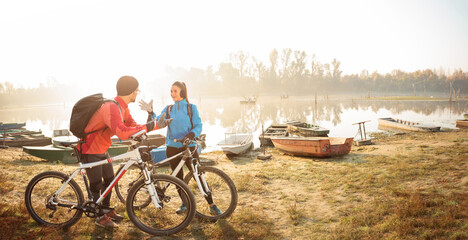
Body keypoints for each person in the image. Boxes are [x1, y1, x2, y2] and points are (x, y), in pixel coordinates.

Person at [78, 76, 170, 228]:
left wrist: (155, 125)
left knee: (109, 180)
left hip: (102, 148)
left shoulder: (124, 108)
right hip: (90, 148)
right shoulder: (111, 107)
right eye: (137, 90)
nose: (137, 93)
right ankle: (99, 216)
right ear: (131, 91)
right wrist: (151, 126)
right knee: (96, 184)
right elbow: (122, 132)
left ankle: (105, 210)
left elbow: (134, 126)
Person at [139, 81, 222, 216]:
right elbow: (158, 123)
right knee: (178, 179)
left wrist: (191, 135)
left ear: (182, 92)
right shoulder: (169, 109)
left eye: (175, 91)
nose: (172, 94)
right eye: (171, 91)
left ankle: (211, 204)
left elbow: (198, 125)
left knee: (198, 176)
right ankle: (185, 204)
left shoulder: (191, 108)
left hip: (190, 147)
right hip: (172, 147)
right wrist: (151, 111)